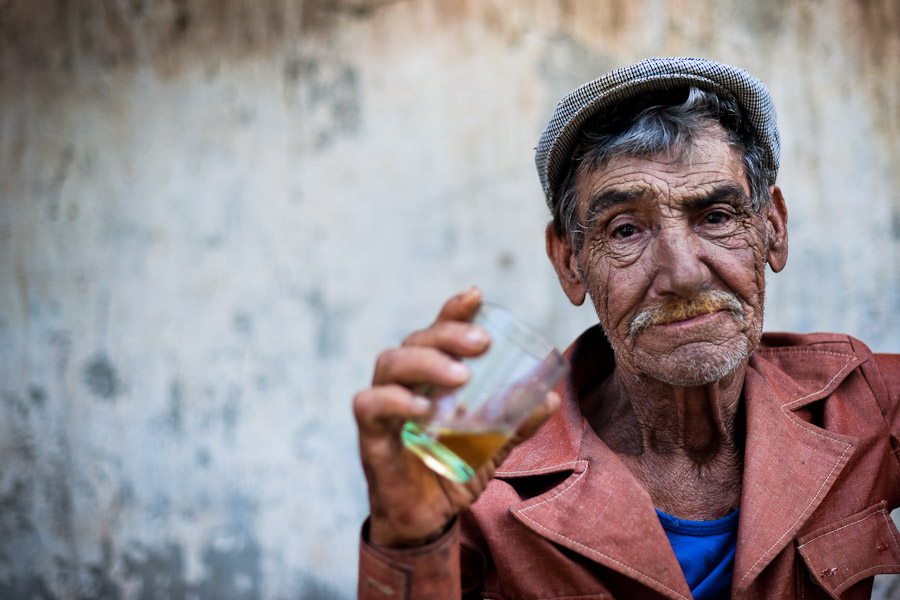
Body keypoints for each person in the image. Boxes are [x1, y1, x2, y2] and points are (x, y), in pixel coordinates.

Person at [353, 58, 900, 599]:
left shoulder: (857, 400)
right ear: (570, 261)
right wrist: (408, 540)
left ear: (773, 228)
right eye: (626, 230)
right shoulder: (482, 470)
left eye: (715, 216)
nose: (682, 274)